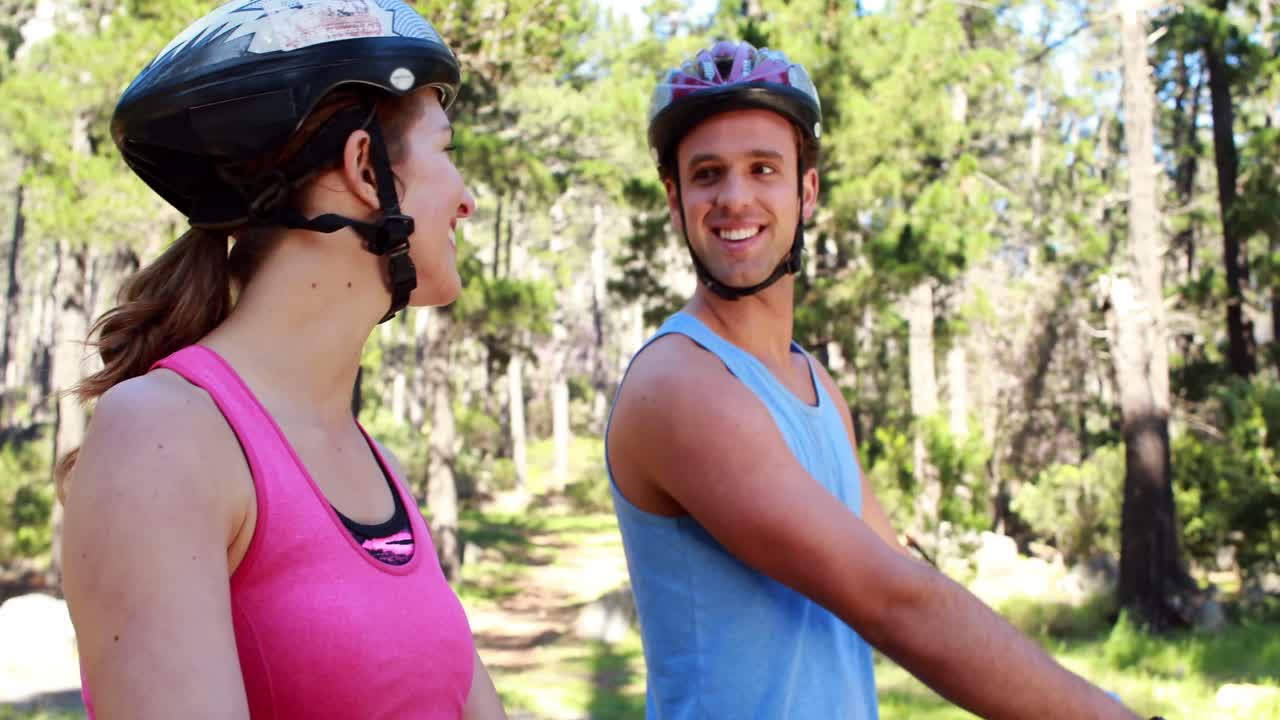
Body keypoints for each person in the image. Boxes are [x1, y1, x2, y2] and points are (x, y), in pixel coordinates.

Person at [605, 40, 1157, 720]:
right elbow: (895, 603)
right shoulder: (680, 384)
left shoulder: (812, 382)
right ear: (676, 198)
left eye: (763, 168)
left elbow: (901, 575)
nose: (735, 198)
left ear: (806, 191)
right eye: (709, 174)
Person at [58, 1, 507, 717]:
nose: (467, 200)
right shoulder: (162, 439)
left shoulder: (359, 452)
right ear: (366, 168)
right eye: (447, 152)